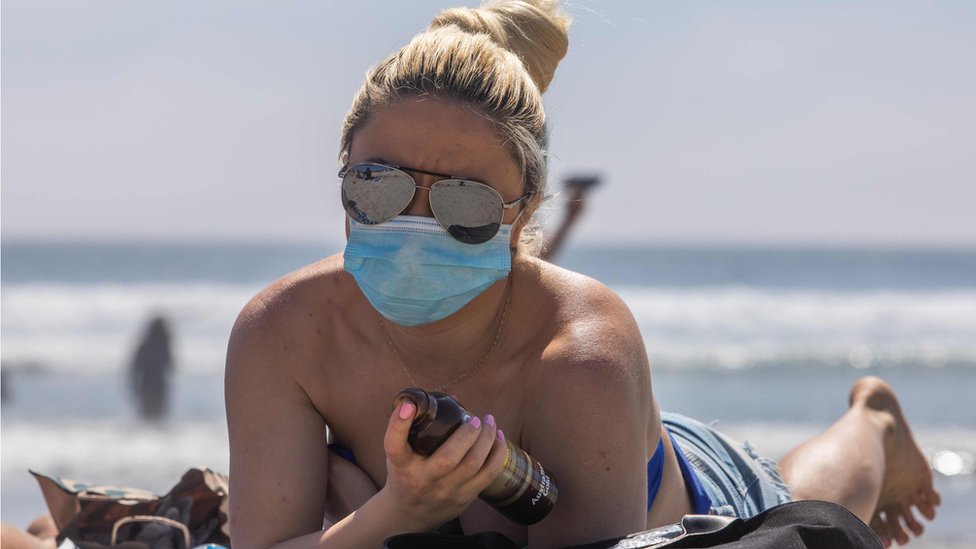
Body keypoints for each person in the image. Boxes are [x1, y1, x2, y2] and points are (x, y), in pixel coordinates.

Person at [225, 1, 939, 548]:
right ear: (343, 173)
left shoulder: (582, 353)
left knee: (811, 496)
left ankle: (872, 421)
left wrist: (360, 515)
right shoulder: (285, 332)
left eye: (464, 201)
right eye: (375, 186)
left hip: (679, 490)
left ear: (524, 208)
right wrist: (397, 510)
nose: (413, 223)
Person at [129, 314, 174, 420]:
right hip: (158, 385)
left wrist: (135, 388)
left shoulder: (145, 345)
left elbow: (135, 368)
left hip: (147, 385)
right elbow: (170, 365)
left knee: (149, 416)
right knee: (157, 416)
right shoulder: (163, 345)